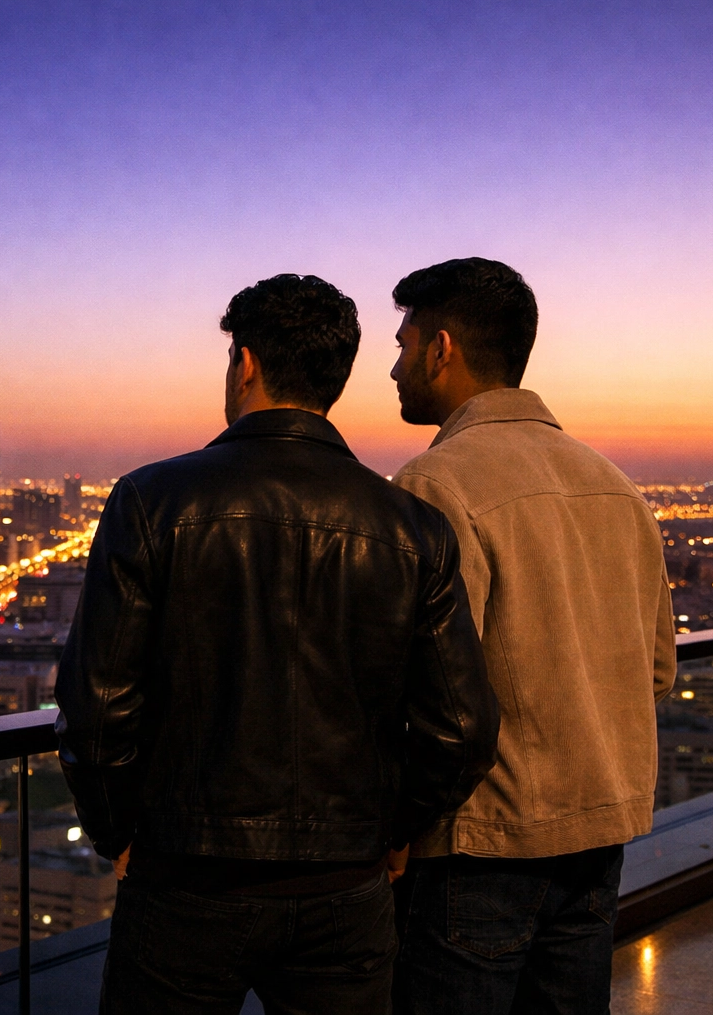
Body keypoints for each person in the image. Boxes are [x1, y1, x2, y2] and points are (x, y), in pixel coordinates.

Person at [55, 273, 500, 1015]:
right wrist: (392, 830)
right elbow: (461, 726)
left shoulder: (151, 501)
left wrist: (115, 830)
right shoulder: (412, 527)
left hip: (184, 882)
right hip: (345, 887)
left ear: (248, 363)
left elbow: (97, 703)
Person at [386, 258, 677, 1014]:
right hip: (597, 833)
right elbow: (656, 671)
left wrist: (397, 824)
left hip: (482, 844)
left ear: (441, 349)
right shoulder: (616, 486)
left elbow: (420, 690)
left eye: (403, 343)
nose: (394, 367)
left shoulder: (436, 484)